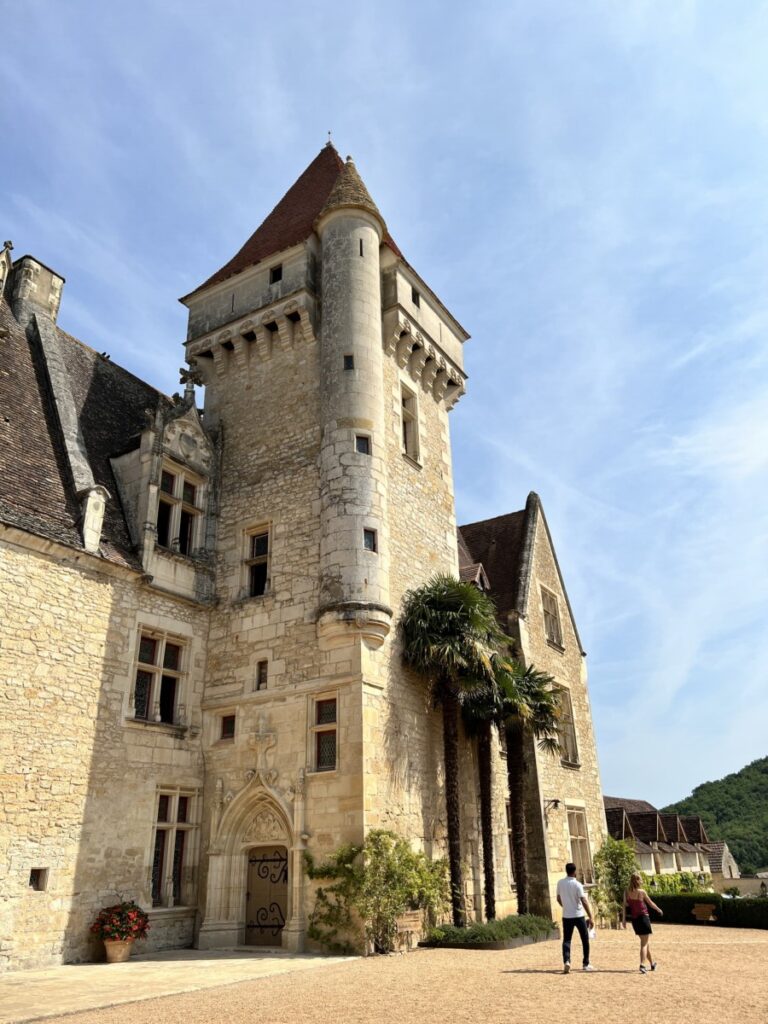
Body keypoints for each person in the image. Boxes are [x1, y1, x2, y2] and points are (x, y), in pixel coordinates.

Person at [556, 862, 596, 974]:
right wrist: (591, 916)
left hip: (567, 916)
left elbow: (558, 898)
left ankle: (567, 961)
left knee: (567, 940)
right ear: (575, 871)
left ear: (566, 871)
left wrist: (565, 906)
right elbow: (584, 900)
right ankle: (586, 963)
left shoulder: (560, 883)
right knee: (584, 939)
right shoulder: (578, 884)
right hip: (578, 915)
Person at [622, 872, 663, 973]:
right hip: (643, 918)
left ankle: (652, 964)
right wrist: (659, 910)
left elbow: (624, 906)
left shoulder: (626, 892)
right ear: (637, 881)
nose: (642, 881)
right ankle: (642, 965)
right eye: (641, 879)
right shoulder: (641, 892)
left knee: (646, 943)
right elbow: (650, 903)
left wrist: (623, 920)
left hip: (635, 920)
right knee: (644, 944)